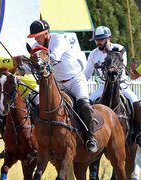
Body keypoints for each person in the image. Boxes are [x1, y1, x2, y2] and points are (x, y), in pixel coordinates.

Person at [27, 19, 98, 154]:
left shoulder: (59, 39)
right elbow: (33, 65)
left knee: (84, 105)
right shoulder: (36, 46)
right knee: (40, 108)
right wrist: (21, 68)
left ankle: (91, 137)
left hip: (75, 80)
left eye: (38, 35)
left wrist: (39, 62)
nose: (36, 39)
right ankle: (40, 143)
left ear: (46, 33)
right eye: (34, 37)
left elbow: (54, 57)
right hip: (58, 83)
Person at [84, 26, 141, 148]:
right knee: (86, 105)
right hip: (102, 87)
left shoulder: (119, 49)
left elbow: (121, 67)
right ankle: (89, 136)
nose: (98, 42)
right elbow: (86, 74)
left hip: (120, 86)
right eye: (96, 40)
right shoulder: (93, 54)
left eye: (101, 39)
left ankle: (138, 134)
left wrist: (105, 65)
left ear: (108, 38)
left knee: (138, 105)